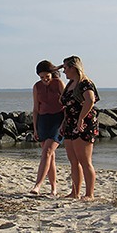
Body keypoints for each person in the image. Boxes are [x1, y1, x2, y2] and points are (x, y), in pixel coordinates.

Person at [60, 56, 100, 200]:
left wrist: (81, 118)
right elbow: (67, 106)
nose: (64, 71)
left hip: (83, 124)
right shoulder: (70, 83)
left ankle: (89, 194)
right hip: (70, 123)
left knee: (84, 160)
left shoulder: (85, 83)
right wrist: (63, 122)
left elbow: (90, 100)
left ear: (73, 68)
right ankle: (75, 192)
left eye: (65, 68)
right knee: (73, 160)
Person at [30, 60, 65, 195]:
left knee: (47, 151)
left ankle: (37, 185)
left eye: (47, 77)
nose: (45, 80)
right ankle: (53, 188)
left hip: (58, 119)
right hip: (43, 120)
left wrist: (64, 123)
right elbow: (35, 108)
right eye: (41, 77)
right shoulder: (36, 87)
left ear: (52, 74)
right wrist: (35, 128)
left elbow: (66, 104)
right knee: (50, 156)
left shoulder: (59, 83)